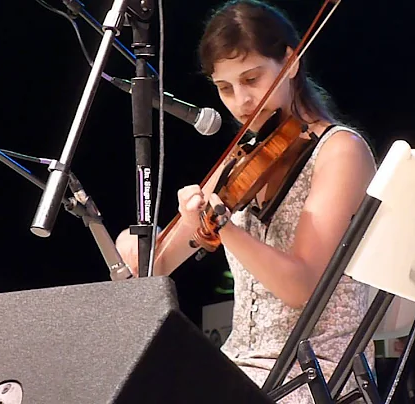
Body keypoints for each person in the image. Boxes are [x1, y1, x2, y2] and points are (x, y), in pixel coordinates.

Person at [115, 0, 377, 401]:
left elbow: (301, 286)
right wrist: (133, 246)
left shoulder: (341, 151)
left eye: (252, 79)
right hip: (241, 369)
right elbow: (158, 264)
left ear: (290, 63)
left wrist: (226, 228)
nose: (241, 101)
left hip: (320, 374)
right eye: (225, 88)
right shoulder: (242, 160)